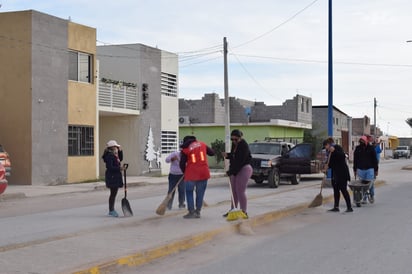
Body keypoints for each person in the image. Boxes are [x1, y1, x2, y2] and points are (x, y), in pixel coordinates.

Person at [180, 135, 215, 219]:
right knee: (200, 193)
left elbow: (181, 164)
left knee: (189, 193)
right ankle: (198, 212)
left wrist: (184, 172)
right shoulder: (203, 144)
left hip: (191, 174)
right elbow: (212, 153)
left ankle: (191, 212)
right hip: (203, 172)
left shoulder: (185, 149)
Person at [222, 129, 253, 218]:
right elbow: (233, 156)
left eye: (236, 139)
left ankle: (244, 211)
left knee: (240, 191)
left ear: (240, 138)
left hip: (244, 168)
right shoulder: (234, 145)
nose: (234, 141)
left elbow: (240, 161)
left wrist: (231, 172)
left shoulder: (244, 145)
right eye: (232, 139)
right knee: (233, 191)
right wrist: (227, 155)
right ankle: (233, 210)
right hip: (235, 169)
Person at [323, 139, 353, 213]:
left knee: (343, 190)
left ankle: (349, 207)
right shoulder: (329, 152)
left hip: (342, 173)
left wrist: (335, 151)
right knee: (336, 191)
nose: (325, 148)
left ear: (328, 144)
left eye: (326, 146)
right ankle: (336, 207)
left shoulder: (337, 148)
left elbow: (343, 156)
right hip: (335, 174)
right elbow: (330, 162)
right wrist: (326, 166)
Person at [353, 135, 379, 203]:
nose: (361, 143)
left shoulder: (371, 148)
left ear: (366, 141)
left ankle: (371, 195)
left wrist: (376, 170)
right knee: (362, 185)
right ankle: (364, 197)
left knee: (370, 183)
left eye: (363, 141)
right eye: (360, 141)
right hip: (360, 169)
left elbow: (374, 160)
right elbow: (355, 160)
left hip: (369, 169)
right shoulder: (358, 148)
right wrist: (355, 169)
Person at [102, 140, 124, 217]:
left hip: (115, 176)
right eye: (116, 147)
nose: (117, 148)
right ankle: (111, 210)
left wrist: (120, 151)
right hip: (112, 177)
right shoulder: (109, 156)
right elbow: (110, 167)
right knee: (113, 194)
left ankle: (112, 210)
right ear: (112, 147)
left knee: (114, 194)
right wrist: (119, 168)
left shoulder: (114, 155)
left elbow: (120, 159)